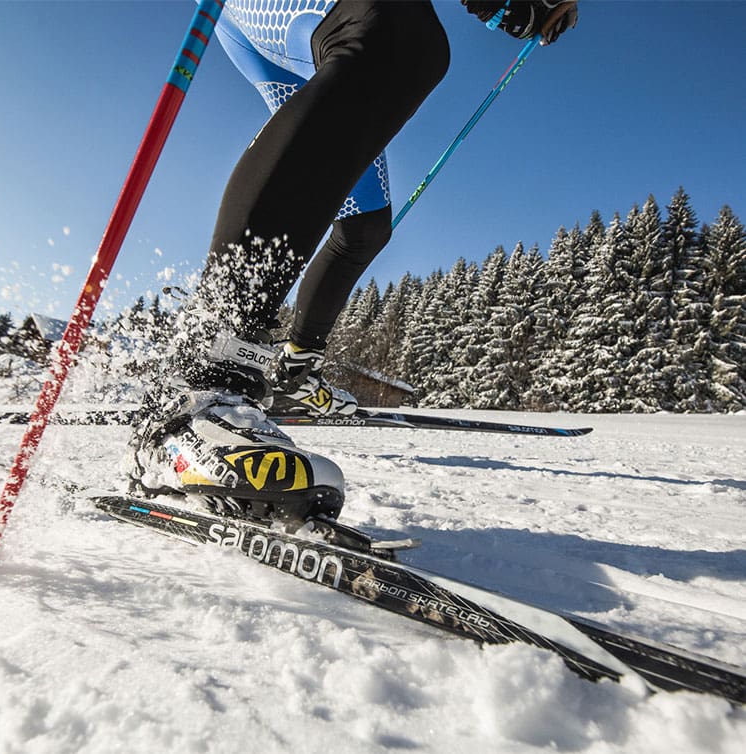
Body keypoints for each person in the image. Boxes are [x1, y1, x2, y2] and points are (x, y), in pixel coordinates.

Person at [125, 1, 579, 528]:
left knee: (364, 226)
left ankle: (294, 367)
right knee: (401, 40)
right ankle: (198, 386)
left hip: (310, 34)